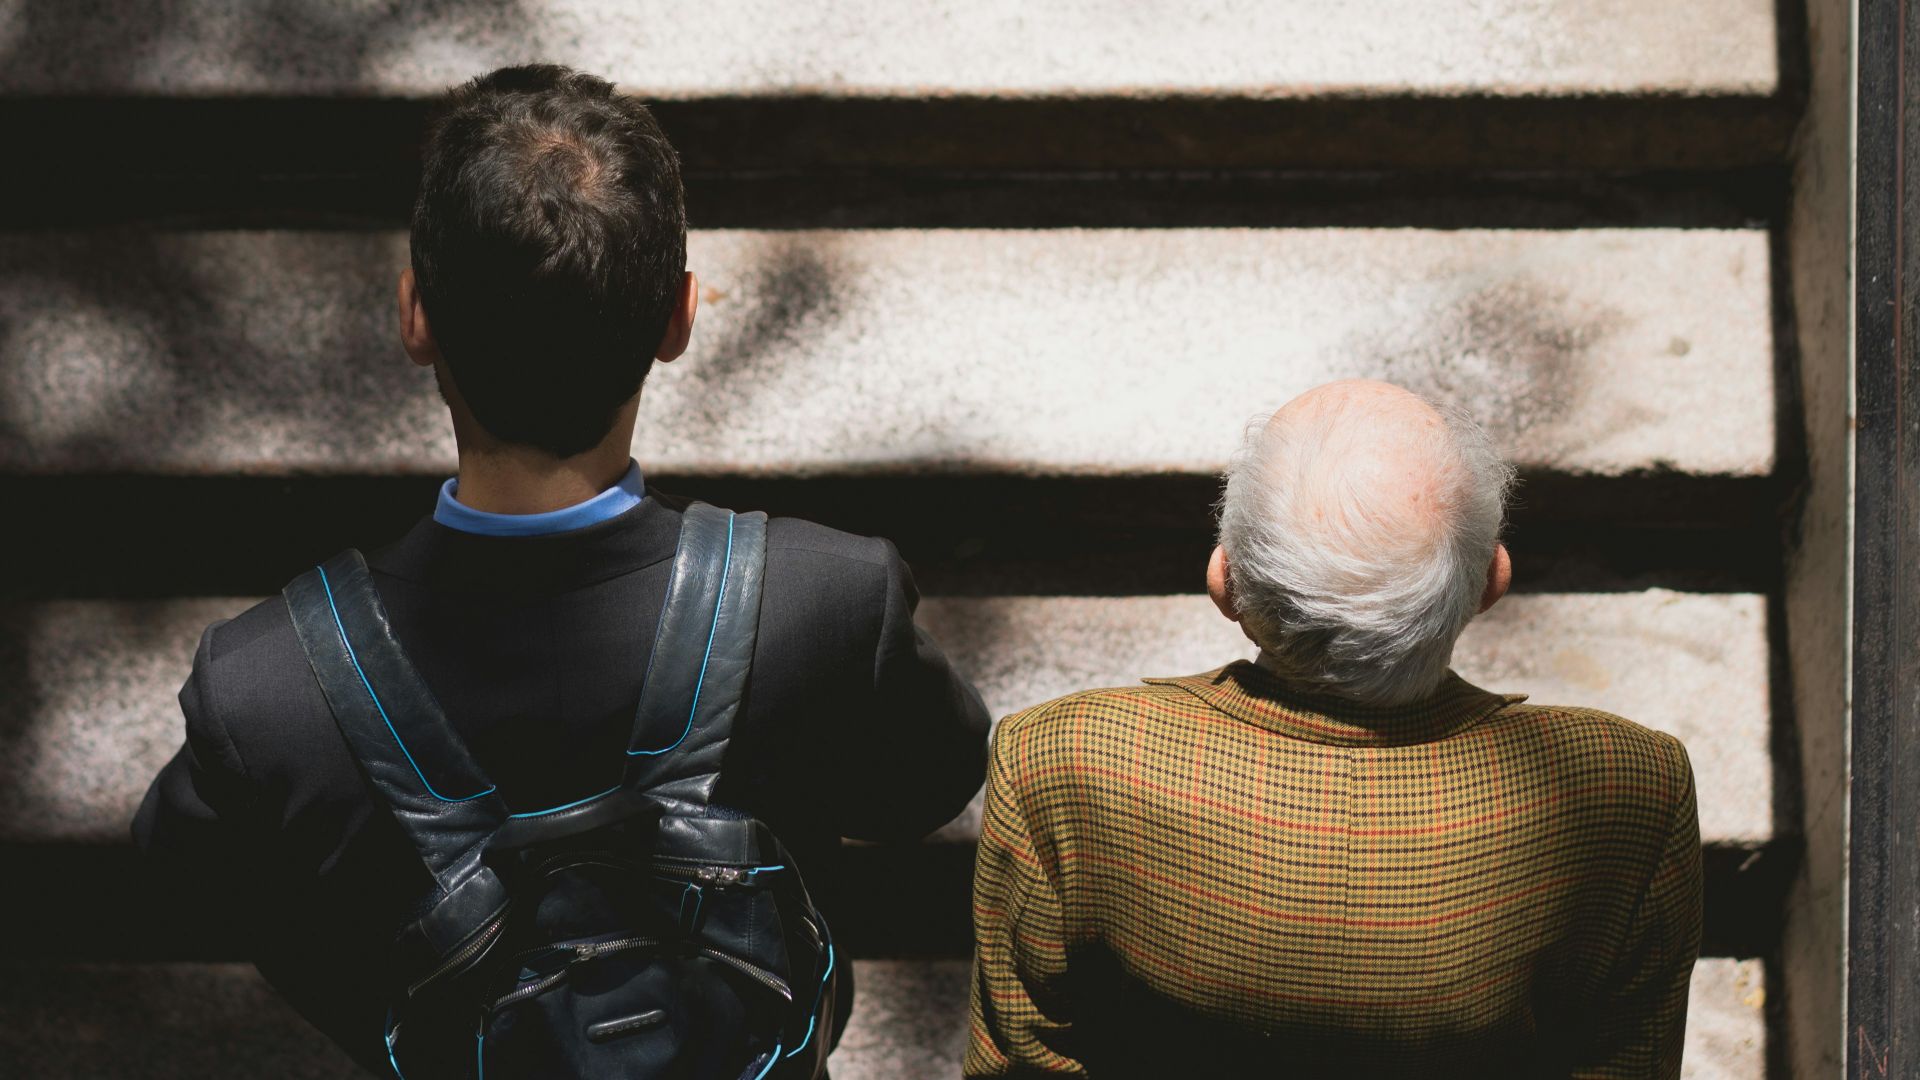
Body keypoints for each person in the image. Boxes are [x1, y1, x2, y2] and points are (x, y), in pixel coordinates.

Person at [133, 64, 989, 1075]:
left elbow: (186, 892)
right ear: (679, 319)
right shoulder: (828, 602)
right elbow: (928, 786)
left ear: (415, 317)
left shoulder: (265, 688)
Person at [966, 380, 1702, 1078]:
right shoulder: (1633, 788)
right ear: (1491, 581)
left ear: (1225, 583)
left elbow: (1022, 1064)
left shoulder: (1061, 760)